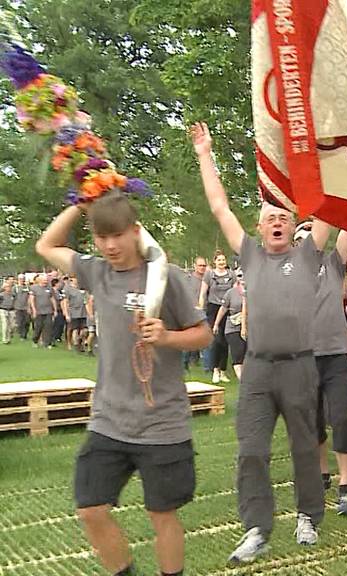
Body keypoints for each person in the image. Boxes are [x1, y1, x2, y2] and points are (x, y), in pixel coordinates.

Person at [35, 192, 212, 576]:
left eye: (117, 235)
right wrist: (79, 205)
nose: (110, 245)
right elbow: (46, 245)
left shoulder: (165, 276)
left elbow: (203, 335)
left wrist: (166, 337)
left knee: (161, 514)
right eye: (101, 237)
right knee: (90, 508)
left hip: (162, 423)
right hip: (109, 421)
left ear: (135, 232)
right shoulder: (96, 272)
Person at [192, 122, 329, 563]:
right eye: (268, 218)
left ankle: (307, 516)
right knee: (251, 450)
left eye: (283, 217)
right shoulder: (248, 255)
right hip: (257, 368)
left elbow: (329, 207)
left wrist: (326, 148)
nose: (275, 222)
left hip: (300, 367)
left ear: (294, 227)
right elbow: (219, 207)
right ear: (258, 227)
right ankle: (256, 528)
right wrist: (204, 155)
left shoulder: (308, 256)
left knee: (305, 446)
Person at [309, 226, 347, 517]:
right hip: (304, 357)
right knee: (312, 421)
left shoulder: (333, 266)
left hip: (336, 356)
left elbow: (345, 234)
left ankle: (345, 486)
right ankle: (322, 473)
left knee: (341, 417)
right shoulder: (290, 270)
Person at [200, 251, 236, 383]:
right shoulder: (209, 274)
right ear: (214, 262)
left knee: (226, 340)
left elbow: (236, 290)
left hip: (228, 308)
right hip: (213, 308)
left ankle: (223, 370)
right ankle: (215, 369)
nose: (221, 262)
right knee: (216, 339)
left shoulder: (231, 275)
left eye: (223, 260)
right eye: (219, 260)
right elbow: (203, 292)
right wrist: (200, 307)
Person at [214, 275, 247, 381]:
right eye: (240, 275)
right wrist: (216, 324)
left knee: (250, 356)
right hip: (233, 327)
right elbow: (223, 308)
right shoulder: (231, 292)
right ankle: (243, 382)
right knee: (238, 355)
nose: (242, 277)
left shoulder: (255, 290)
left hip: (251, 327)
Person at [182, 257, 207, 370]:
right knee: (190, 336)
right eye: (200, 265)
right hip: (191, 310)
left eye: (204, 266)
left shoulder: (207, 279)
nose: (202, 268)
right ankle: (184, 362)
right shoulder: (189, 279)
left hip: (205, 309)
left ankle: (195, 360)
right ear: (195, 266)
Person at [28, 274, 56, 348]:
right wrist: (34, 310)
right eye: (44, 280)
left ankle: (47, 343)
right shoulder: (34, 288)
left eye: (47, 280)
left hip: (48, 311)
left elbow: (52, 299)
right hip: (39, 311)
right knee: (38, 327)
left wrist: (55, 309)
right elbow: (31, 299)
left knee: (48, 327)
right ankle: (35, 341)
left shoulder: (49, 288)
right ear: (40, 280)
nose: (46, 281)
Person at [63, 276, 89, 352]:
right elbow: (65, 301)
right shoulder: (68, 289)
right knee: (72, 329)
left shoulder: (82, 288)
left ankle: (79, 340)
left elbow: (87, 299)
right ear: (72, 279)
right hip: (73, 312)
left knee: (84, 330)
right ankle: (71, 343)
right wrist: (66, 313)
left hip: (83, 312)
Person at [14, 274, 31, 340]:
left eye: (23, 278)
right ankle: (21, 334)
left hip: (26, 307)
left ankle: (25, 334)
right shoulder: (15, 288)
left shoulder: (27, 287)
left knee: (27, 322)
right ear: (18, 279)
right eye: (20, 279)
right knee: (19, 322)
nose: (22, 280)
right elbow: (13, 297)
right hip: (18, 307)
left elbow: (30, 297)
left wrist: (29, 306)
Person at [0, 277, 15, 344]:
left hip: (12, 310)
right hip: (3, 310)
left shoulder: (13, 294)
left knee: (12, 325)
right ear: (4, 288)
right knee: (5, 324)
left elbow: (15, 301)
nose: (8, 288)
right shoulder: (1, 295)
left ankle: (9, 337)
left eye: (9, 287)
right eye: (7, 287)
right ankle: (4, 339)